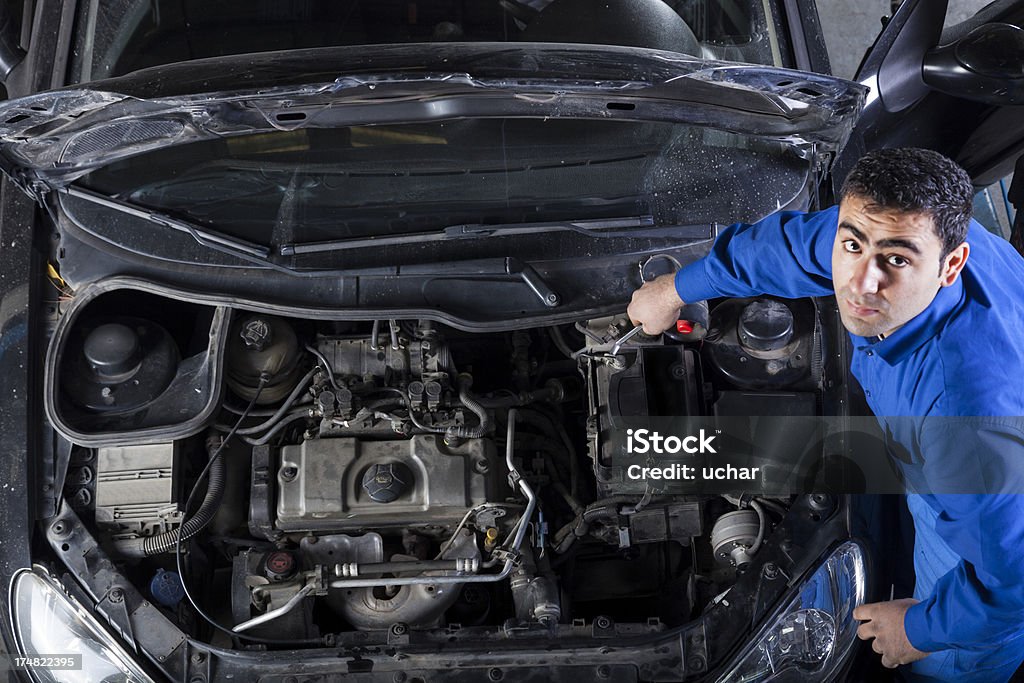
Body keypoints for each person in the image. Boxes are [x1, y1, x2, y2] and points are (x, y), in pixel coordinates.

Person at [626, 148, 1024, 682]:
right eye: (852, 245)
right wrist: (674, 289)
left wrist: (919, 630)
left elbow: (1012, 581)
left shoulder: (963, 414)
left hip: (992, 536)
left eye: (896, 261)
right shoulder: (886, 233)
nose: (860, 283)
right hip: (960, 473)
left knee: (948, 662)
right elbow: (784, 249)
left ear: (952, 263)